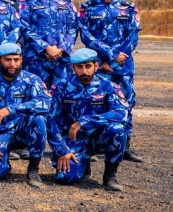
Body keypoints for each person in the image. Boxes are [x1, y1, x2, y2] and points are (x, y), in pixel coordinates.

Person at [79, 0, 142, 164]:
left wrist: (114, 61)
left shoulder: (128, 7)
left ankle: (125, 145)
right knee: (97, 103)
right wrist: (109, 56)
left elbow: (133, 36)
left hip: (122, 68)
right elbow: (86, 36)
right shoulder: (87, 7)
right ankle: (97, 145)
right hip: (97, 66)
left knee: (126, 103)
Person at [48, 48, 129, 191]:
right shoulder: (61, 86)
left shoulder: (108, 86)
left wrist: (83, 122)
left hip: (100, 137)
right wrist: (61, 149)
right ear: (72, 67)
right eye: (79, 67)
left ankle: (110, 174)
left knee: (118, 130)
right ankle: (83, 165)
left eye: (88, 66)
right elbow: (50, 118)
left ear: (96, 66)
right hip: (74, 138)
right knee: (65, 178)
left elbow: (121, 113)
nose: (84, 72)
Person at [0, 42, 50, 187]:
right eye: (7, 60)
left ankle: (33, 168)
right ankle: (3, 160)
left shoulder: (32, 80)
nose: (12, 64)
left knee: (39, 120)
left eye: (16, 59)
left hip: (23, 131)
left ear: (21, 59)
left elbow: (45, 104)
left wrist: (11, 109)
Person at [21, 0, 78, 90]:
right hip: (36, 60)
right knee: (37, 96)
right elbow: (24, 26)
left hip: (61, 60)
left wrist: (61, 49)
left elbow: (73, 26)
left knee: (62, 97)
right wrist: (45, 48)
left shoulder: (66, 0)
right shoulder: (28, 0)